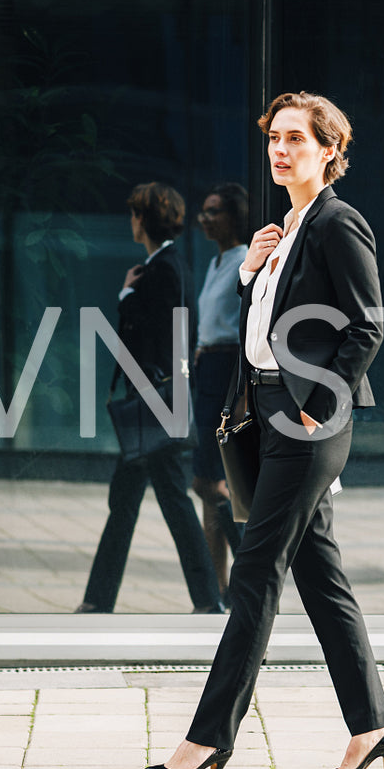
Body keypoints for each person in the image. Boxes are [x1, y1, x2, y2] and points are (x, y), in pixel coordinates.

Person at [143, 92, 384, 769]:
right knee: (321, 579)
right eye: (274, 139)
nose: (280, 150)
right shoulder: (284, 229)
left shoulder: (339, 222)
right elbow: (266, 333)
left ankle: (206, 738)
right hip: (265, 412)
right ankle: (372, 727)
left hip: (304, 422)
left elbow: (366, 326)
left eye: (295, 138)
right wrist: (256, 272)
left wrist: (317, 406)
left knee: (253, 571)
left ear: (328, 150)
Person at [77, 183, 226, 615]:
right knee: (128, 503)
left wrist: (126, 297)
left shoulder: (159, 271)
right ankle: (99, 600)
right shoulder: (173, 266)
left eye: (134, 215)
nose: (131, 222)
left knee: (161, 504)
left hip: (153, 405)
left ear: (143, 220)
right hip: (158, 403)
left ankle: (206, 599)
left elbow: (145, 337)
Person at [191, 183, 252, 593]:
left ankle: (246, 575)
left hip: (226, 367)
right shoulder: (216, 262)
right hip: (207, 365)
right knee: (204, 483)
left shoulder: (244, 259)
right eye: (204, 210)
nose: (205, 218)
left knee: (216, 482)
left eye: (214, 211)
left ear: (233, 216)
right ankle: (217, 585)